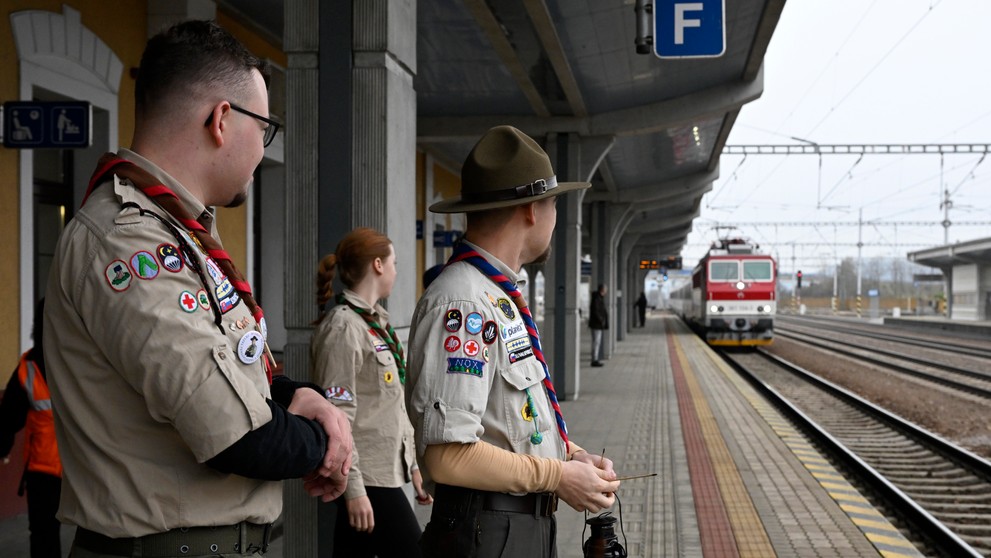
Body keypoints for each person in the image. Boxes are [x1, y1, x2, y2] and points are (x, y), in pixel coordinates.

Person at [43, 20, 352, 557]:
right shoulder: (130, 243)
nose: (263, 149)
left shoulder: (174, 232)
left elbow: (225, 367)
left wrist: (300, 395)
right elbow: (235, 434)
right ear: (222, 120)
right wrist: (331, 441)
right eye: (265, 129)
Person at [407, 125, 620, 557]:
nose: (557, 217)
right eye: (555, 203)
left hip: (509, 529)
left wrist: (573, 457)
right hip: (486, 533)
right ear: (530, 210)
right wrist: (557, 477)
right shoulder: (465, 304)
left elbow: (506, 422)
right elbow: (448, 456)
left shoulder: (496, 297)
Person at [311, 227, 433, 558]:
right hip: (368, 479)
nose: (396, 270)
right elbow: (337, 417)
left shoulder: (375, 323)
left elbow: (390, 404)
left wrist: (414, 466)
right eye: (394, 262)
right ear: (378, 265)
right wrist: (353, 491)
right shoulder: (344, 327)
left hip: (385, 473)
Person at [0, 299, 62, 558]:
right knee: (44, 535)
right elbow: (7, 418)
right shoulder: (29, 369)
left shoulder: (85, 363)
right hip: (46, 470)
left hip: (82, 467)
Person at [589, 284, 609, 366]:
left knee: (596, 342)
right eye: (606, 290)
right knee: (596, 342)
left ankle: (595, 358)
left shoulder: (598, 298)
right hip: (596, 324)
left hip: (597, 324)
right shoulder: (597, 298)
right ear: (602, 290)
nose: (606, 291)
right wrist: (601, 320)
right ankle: (594, 360)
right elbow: (596, 311)